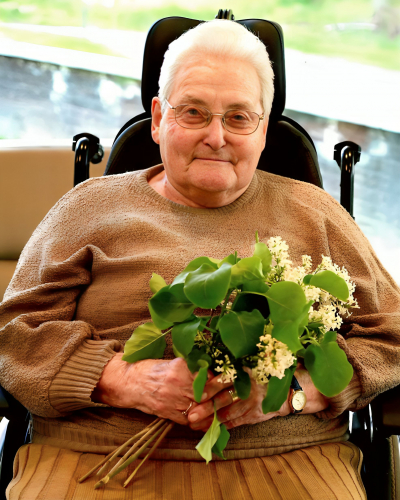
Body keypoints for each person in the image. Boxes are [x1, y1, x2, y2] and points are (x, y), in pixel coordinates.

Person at [1, 19, 400, 500]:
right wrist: (122, 380)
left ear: (263, 130)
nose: (216, 136)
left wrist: (293, 393)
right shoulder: (87, 207)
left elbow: (392, 334)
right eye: (193, 112)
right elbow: (13, 336)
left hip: (288, 461)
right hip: (96, 459)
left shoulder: (316, 213)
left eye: (239, 117)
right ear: (157, 118)